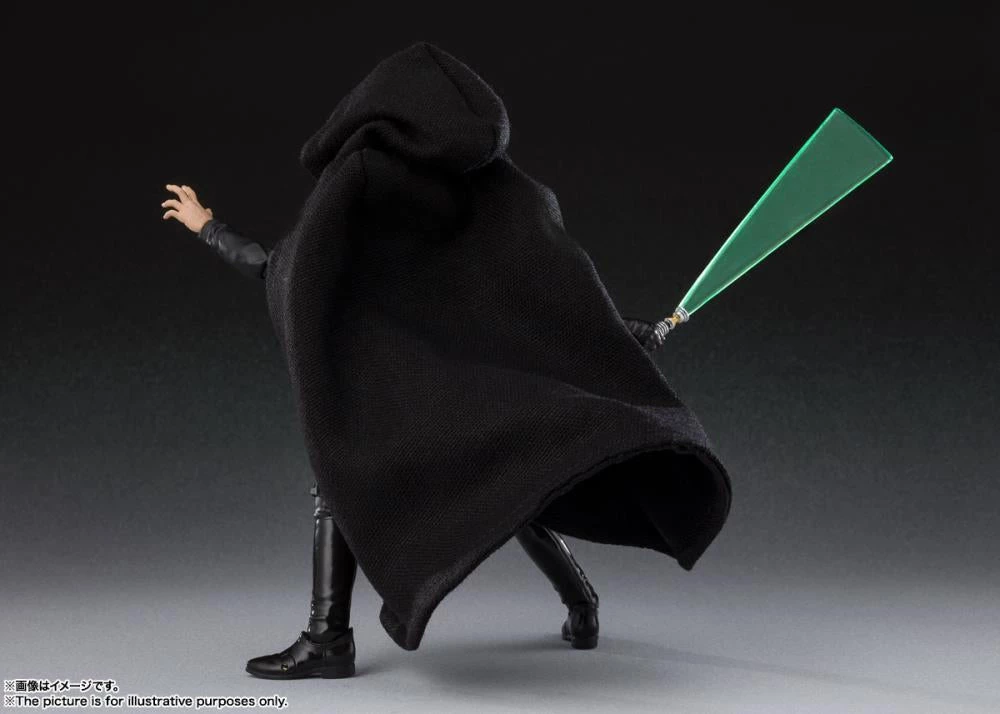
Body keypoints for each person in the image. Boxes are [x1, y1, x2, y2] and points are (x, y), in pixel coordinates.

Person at [160, 41, 730, 681]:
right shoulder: (503, 188)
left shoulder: (365, 176)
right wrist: (625, 334)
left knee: (346, 482)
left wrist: (209, 228)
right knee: (520, 480)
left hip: (406, 389)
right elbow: (550, 298)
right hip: (470, 385)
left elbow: (289, 272)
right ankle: (582, 605)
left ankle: (327, 638)